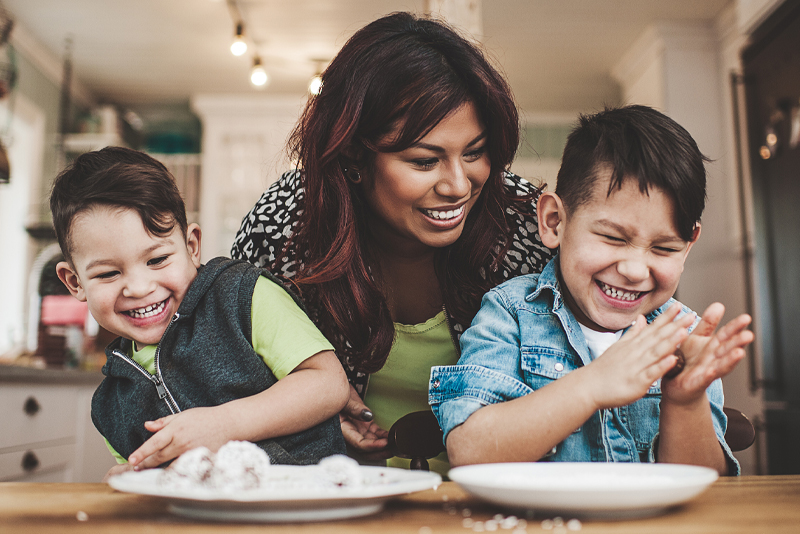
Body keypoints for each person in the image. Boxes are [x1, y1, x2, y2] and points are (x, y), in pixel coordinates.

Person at [231, 12, 555, 472]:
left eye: (475, 152)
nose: (459, 185)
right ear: (353, 153)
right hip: (338, 497)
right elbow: (231, 365)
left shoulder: (524, 224)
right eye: (424, 161)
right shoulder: (285, 223)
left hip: (495, 499)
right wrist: (306, 410)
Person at [430, 105, 754, 475]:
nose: (634, 270)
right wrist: (593, 384)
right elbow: (469, 451)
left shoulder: (686, 339)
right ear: (554, 221)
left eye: (664, 248)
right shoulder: (510, 313)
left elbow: (705, 485)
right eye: (612, 238)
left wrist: (685, 401)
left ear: (688, 247)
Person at [50, 147, 350, 477]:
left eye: (157, 260)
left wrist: (224, 424)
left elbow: (328, 384)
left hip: (304, 501)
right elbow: (156, 477)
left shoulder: (242, 295)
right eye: (108, 273)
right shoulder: (109, 406)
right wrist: (137, 478)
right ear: (74, 282)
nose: (138, 288)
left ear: (192, 247)